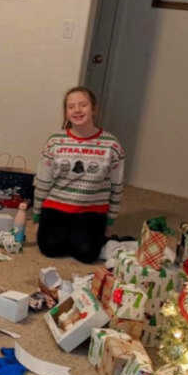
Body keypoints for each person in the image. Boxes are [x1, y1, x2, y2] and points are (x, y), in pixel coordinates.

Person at [32, 86, 125, 264]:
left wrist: (110, 221)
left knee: (86, 255)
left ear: (94, 109)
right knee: (49, 249)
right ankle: (68, 233)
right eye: (71, 106)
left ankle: (89, 237)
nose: (77, 110)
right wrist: (37, 216)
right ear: (66, 113)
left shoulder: (111, 145)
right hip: (56, 207)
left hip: (91, 210)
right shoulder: (54, 141)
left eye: (83, 105)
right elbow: (43, 181)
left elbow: (117, 186)